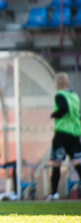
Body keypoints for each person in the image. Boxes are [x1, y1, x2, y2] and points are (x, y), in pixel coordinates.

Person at [46, 73, 81, 201]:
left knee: (56, 162)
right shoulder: (75, 96)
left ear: (57, 85)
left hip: (62, 134)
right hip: (75, 133)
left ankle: (54, 193)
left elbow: (63, 108)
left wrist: (54, 115)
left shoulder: (59, 95)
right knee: (77, 162)